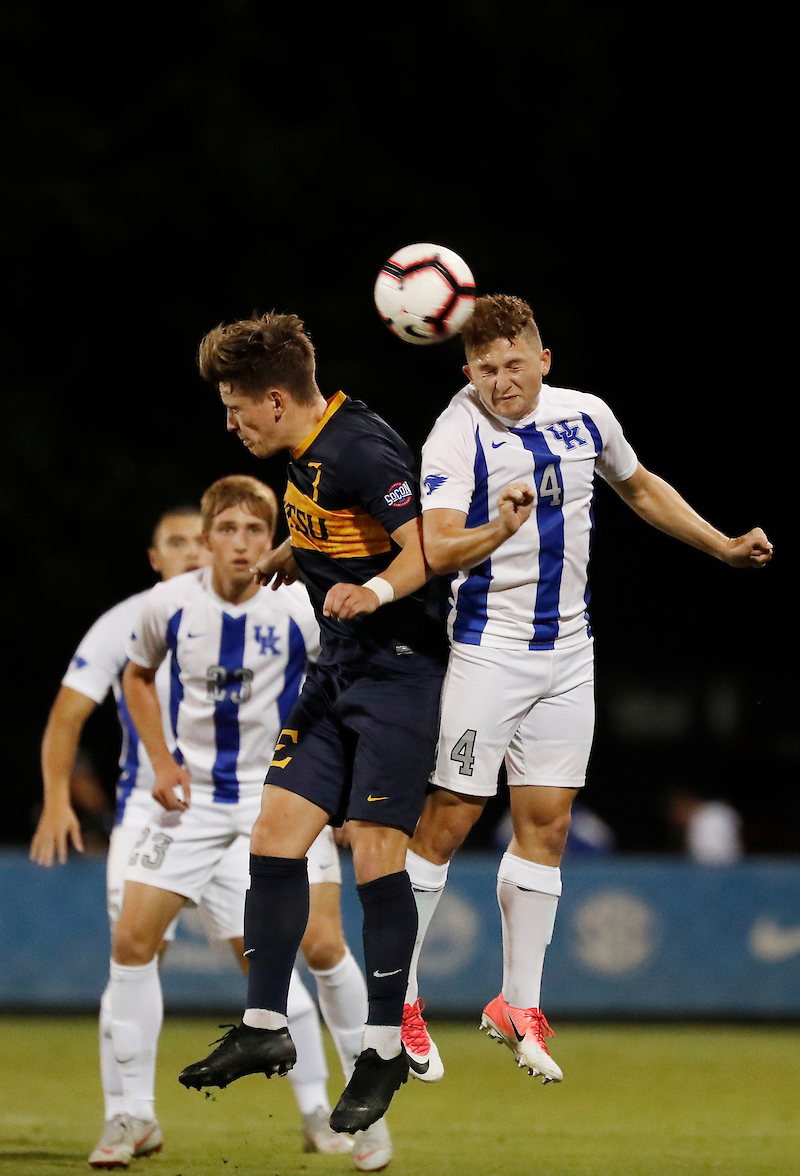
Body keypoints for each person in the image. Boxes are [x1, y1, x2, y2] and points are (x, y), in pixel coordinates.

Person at [400, 293, 773, 1085]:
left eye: (514, 365)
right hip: (488, 651)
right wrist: (498, 527)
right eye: (486, 369)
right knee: (451, 819)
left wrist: (719, 546)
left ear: (544, 359)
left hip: (569, 653)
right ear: (467, 371)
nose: (502, 381)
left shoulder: (585, 416)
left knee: (550, 823)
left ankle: (517, 1006)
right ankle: (394, 991)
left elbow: (639, 487)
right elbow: (433, 546)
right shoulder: (455, 432)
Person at [179, 313, 447, 1138]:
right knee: (273, 836)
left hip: (400, 673)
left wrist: (374, 591)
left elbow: (424, 548)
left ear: (274, 398)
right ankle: (265, 1030)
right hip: (336, 672)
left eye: (235, 407)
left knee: (371, 849)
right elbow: (343, 525)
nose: (231, 424)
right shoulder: (306, 456)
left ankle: (380, 1050)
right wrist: (300, 552)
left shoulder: (362, 447)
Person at [119, 475, 388, 1170]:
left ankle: (368, 1109)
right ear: (206, 539)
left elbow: (345, 689)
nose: (242, 544)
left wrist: (344, 789)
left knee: (324, 944)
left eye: (256, 532)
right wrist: (161, 762)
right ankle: (130, 1115)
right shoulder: (168, 605)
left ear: (274, 542)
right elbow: (137, 677)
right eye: (228, 531)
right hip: (199, 800)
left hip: (283, 796)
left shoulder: (299, 606)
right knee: (132, 940)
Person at [29, 506, 210, 1167]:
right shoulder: (127, 621)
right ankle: (128, 1114)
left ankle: (319, 1111)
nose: (194, 552)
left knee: (294, 950)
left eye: (202, 539)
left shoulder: (262, 613)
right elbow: (66, 715)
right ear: (154, 557)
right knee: (134, 957)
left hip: (242, 812)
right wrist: (56, 801)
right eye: (177, 542)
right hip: (151, 814)